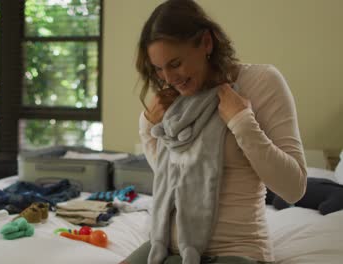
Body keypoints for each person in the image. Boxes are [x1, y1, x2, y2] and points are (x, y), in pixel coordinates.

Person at [121, 0, 307, 264]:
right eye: (159, 69)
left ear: (206, 43)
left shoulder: (260, 83)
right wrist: (148, 127)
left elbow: (294, 188)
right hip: (165, 247)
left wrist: (242, 122)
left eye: (175, 63)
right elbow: (170, 177)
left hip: (235, 248)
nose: (168, 78)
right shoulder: (174, 97)